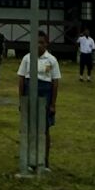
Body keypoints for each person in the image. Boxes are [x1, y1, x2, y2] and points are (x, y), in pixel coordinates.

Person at [17, 31, 61, 171]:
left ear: (46, 44)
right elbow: (21, 79)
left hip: (45, 93)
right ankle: (30, 160)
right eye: (36, 42)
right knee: (30, 128)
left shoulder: (51, 60)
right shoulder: (27, 58)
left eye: (42, 42)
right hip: (30, 92)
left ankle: (44, 161)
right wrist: (21, 100)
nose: (39, 45)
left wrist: (53, 104)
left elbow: (55, 82)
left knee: (44, 129)